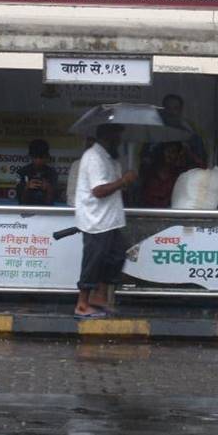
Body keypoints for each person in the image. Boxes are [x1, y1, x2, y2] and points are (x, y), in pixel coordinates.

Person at [73, 123, 136, 319]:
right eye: (117, 137)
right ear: (107, 138)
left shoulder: (111, 159)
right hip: (96, 220)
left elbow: (112, 186)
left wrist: (126, 180)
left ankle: (99, 296)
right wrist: (124, 181)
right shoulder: (94, 157)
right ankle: (82, 305)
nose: (120, 141)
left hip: (111, 219)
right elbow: (99, 191)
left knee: (116, 256)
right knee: (94, 261)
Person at [159, 94, 207, 168]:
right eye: (168, 108)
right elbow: (145, 161)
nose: (171, 112)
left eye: (175, 108)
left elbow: (201, 162)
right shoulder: (155, 131)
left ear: (181, 110)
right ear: (163, 110)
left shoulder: (192, 134)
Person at [139, 141, 187, 208]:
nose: (169, 155)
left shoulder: (179, 176)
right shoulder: (149, 175)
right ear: (160, 152)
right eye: (167, 150)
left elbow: (203, 167)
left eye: (173, 151)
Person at [16, 138, 59, 206]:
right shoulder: (22, 172)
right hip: (26, 211)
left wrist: (48, 188)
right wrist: (26, 187)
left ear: (47, 157)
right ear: (30, 156)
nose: (38, 160)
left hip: (46, 213)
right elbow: (20, 200)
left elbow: (52, 201)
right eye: (35, 157)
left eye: (41, 157)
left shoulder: (52, 173)